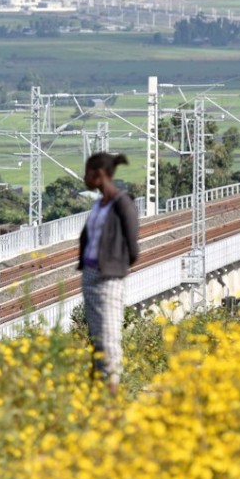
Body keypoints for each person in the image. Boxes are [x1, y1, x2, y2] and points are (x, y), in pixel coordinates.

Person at [78, 152, 139, 393]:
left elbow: (132, 246)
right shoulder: (99, 203)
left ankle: (111, 393)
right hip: (91, 275)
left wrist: (115, 266)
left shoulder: (123, 203)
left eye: (87, 173)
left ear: (99, 174)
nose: (84, 177)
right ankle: (98, 389)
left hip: (109, 277)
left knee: (109, 335)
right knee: (97, 336)